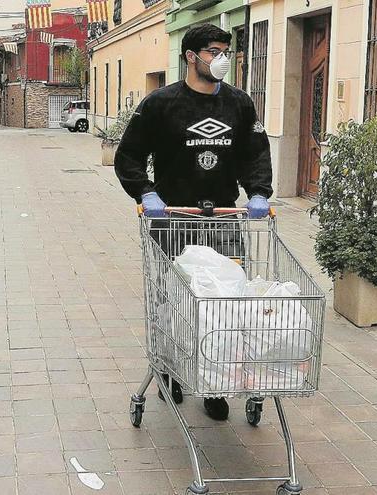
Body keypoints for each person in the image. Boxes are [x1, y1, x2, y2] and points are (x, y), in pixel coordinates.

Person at [114, 24, 272, 421]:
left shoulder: (239, 105)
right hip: (173, 219)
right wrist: (145, 193)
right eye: (214, 51)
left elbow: (255, 153)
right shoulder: (161, 104)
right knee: (172, 302)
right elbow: (129, 155)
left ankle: (215, 383)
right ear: (190, 56)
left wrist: (257, 193)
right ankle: (170, 369)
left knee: (222, 305)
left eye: (226, 52)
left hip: (222, 218)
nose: (222, 59)